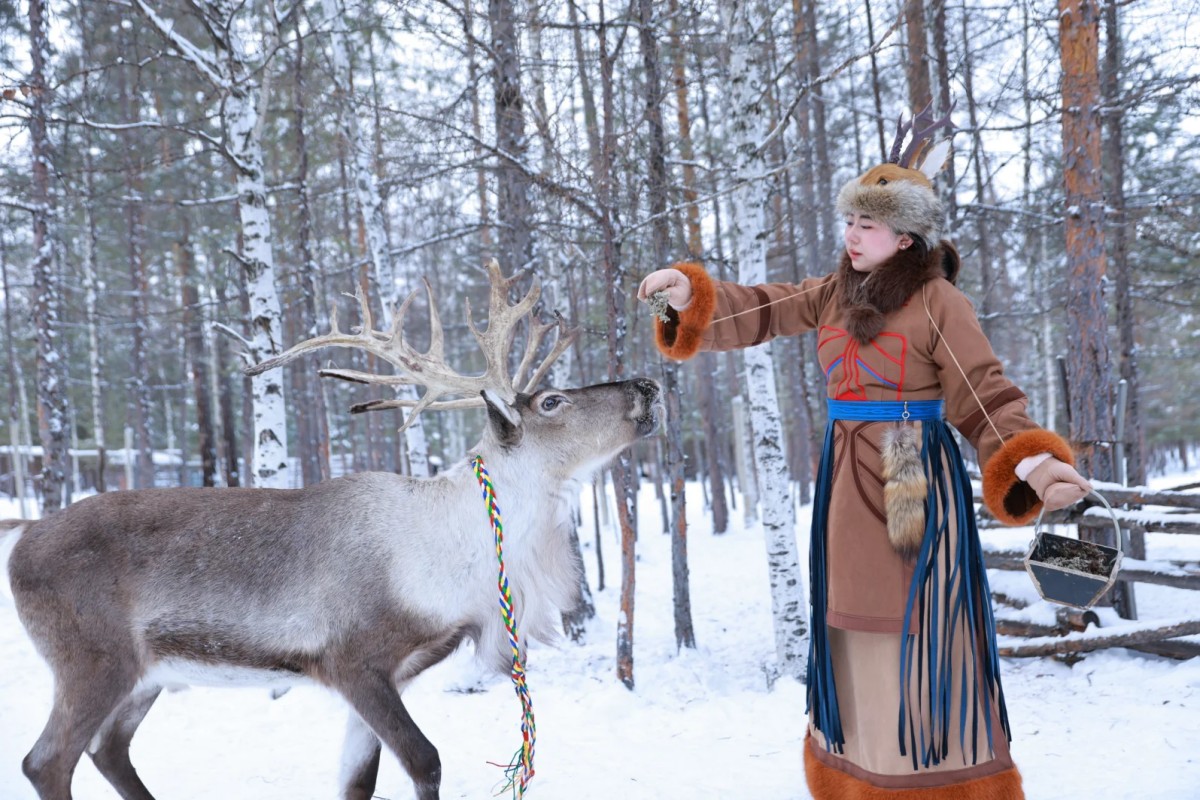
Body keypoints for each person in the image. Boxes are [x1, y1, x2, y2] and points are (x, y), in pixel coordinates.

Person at [637, 114, 1091, 800]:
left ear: (905, 238)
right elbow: (761, 308)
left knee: (913, 623)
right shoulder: (833, 292)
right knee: (849, 624)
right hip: (844, 480)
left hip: (909, 470)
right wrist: (687, 294)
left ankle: (938, 782)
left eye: (867, 226)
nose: (851, 235)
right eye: (849, 221)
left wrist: (1029, 461)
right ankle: (862, 781)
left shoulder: (938, 300)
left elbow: (984, 393)